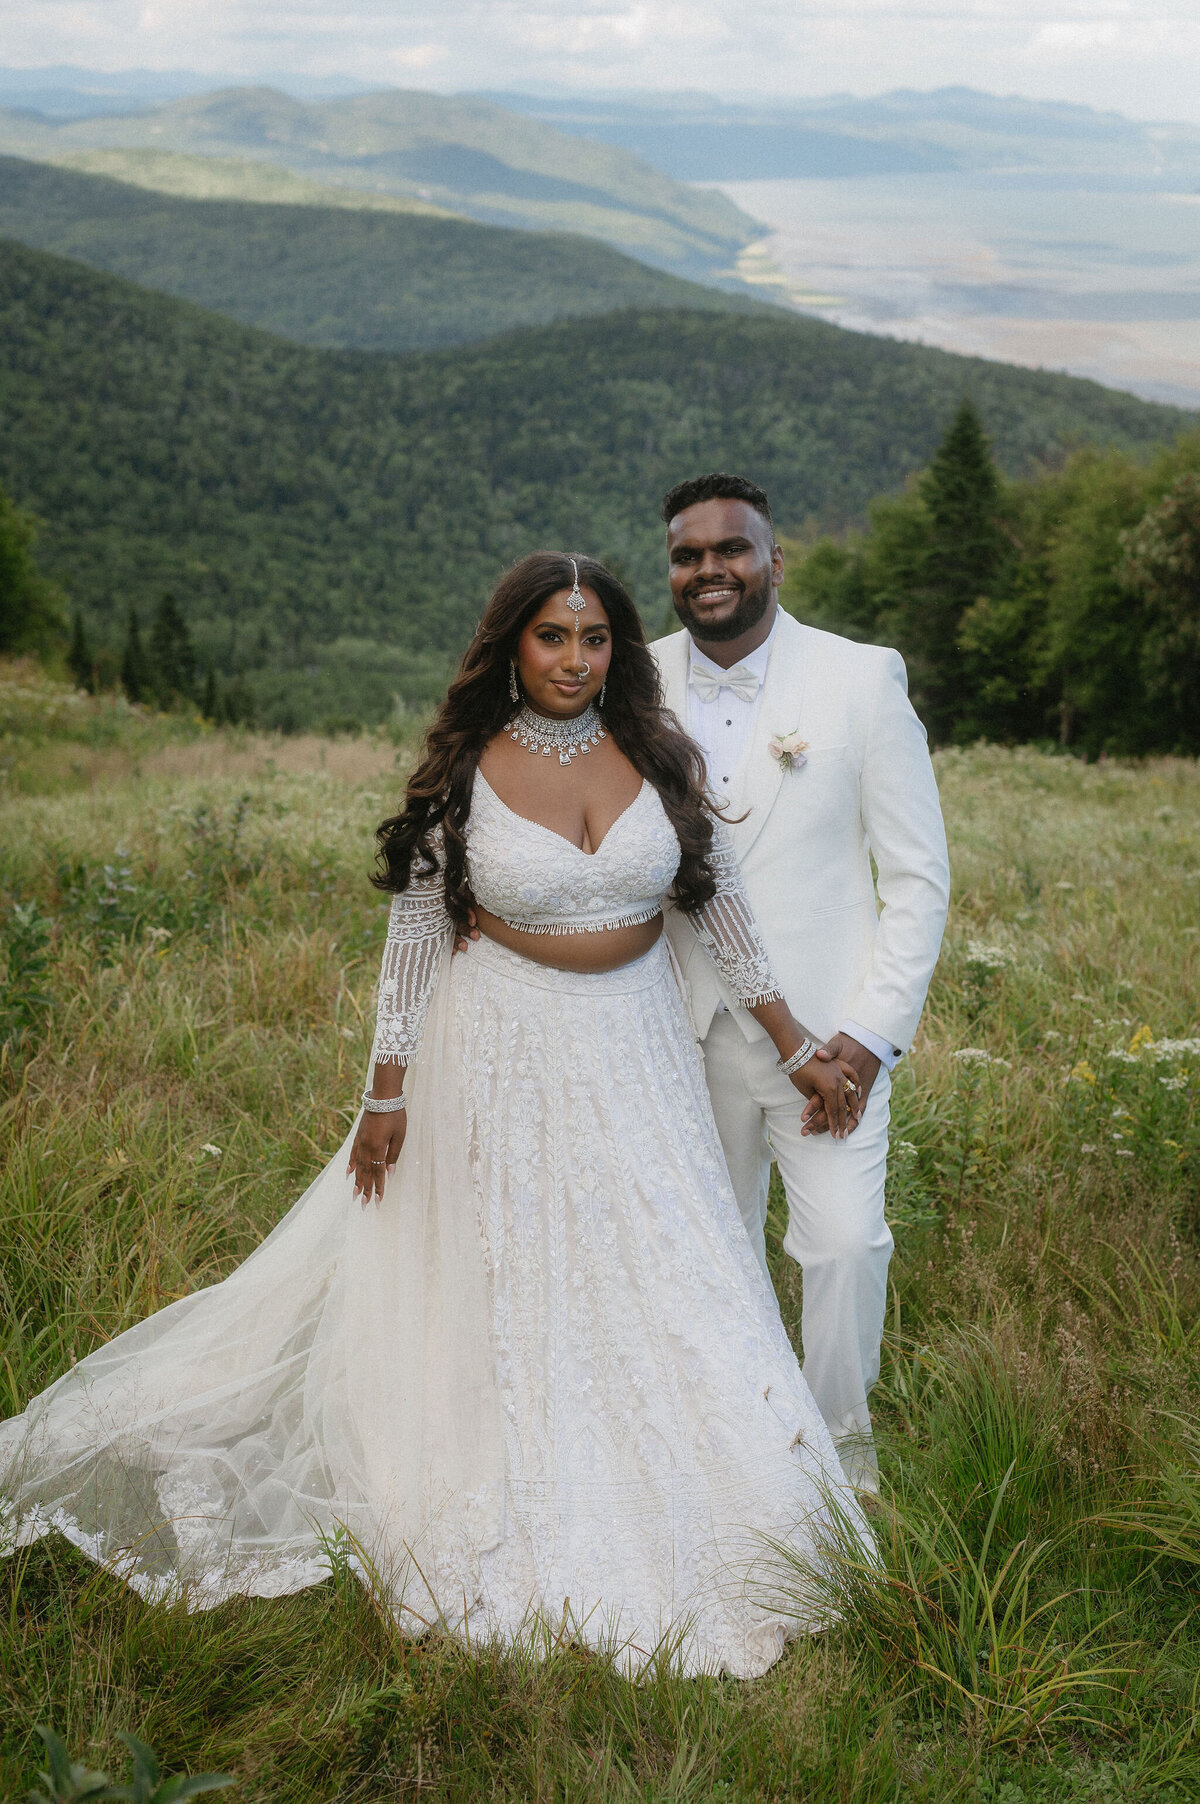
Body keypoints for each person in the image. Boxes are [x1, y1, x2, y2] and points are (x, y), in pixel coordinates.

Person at [1, 552, 872, 1680]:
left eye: (595, 637)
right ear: (511, 644)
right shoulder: (469, 769)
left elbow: (723, 916)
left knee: (661, 1263)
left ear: (618, 647)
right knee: (519, 1271)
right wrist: (385, 1091)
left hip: (639, 1056)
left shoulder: (662, 757)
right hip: (507, 1047)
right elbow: (415, 935)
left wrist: (799, 1046)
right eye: (552, 637)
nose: (574, 659)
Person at [650, 474, 950, 1491]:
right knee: (708, 1248)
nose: (709, 570)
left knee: (845, 1245)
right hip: (677, 1028)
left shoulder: (863, 680)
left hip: (831, 1045)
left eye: (730, 550)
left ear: (774, 561)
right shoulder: (630, 683)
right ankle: (725, 1454)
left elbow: (917, 881)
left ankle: (839, 1464)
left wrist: (866, 1039)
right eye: (688, 556)